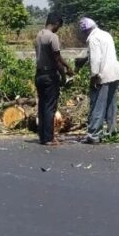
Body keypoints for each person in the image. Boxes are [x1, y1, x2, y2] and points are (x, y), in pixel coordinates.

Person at [77, 17, 119, 144]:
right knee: (111, 105)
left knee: (98, 105)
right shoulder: (106, 34)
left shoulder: (93, 39)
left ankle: (93, 135)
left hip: (102, 75)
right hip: (114, 73)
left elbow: (96, 59)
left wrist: (94, 77)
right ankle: (112, 132)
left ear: (85, 31)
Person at [34, 14, 74, 146]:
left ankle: (42, 136)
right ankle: (49, 138)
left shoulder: (39, 35)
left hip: (39, 75)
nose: (58, 29)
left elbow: (53, 56)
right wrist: (64, 74)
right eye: (59, 26)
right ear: (55, 23)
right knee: (50, 107)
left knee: (42, 106)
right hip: (50, 75)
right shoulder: (52, 37)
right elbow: (57, 59)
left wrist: (66, 66)